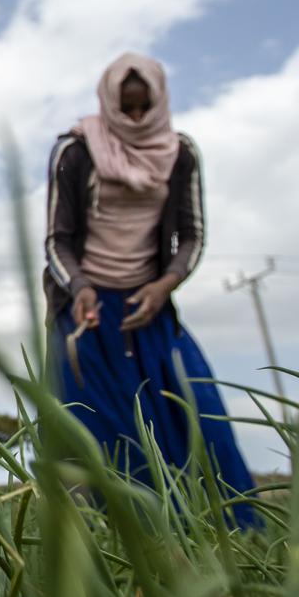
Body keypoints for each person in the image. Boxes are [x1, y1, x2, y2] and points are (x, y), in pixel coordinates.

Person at [44, 52, 259, 527]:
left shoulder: (180, 153)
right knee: (98, 424)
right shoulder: (75, 151)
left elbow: (193, 235)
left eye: (144, 106)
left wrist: (164, 285)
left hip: (150, 307)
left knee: (195, 413)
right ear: (110, 102)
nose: (136, 116)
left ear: (159, 101)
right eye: (126, 107)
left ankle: (228, 531)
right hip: (86, 311)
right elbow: (56, 240)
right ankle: (119, 536)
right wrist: (79, 287)